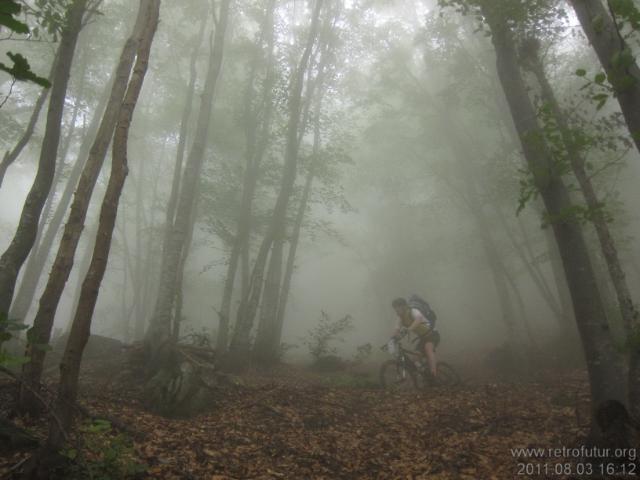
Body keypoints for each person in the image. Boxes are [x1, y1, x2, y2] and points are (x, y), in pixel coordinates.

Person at [391, 297, 438, 377]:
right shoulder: (400, 318)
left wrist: (409, 329)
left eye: (398, 307)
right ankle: (425, 374)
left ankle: (434, 373)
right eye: (395, 308)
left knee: (428, 349)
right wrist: (392, 340)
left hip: (432, 334)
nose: (396, 310)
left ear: (404, 306)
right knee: (415, 358)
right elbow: (396, 329)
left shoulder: (413, 311)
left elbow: (418, 319)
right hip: (422, 338)